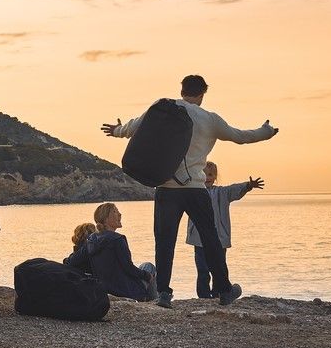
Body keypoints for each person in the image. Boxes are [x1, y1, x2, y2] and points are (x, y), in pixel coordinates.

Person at [101, 74, 278, 308]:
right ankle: (224, 290)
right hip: (195, 189)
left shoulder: (161, 107)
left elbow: (134, 126)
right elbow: (241, 136)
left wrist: (116, 131)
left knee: (164, 242)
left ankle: (164, 293)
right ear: (203, 93)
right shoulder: (209, 119)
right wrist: (265, 132)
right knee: (210, 239)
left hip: (165, 187)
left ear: (181, 89)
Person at [188, 161, 265, 298]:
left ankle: (219, 293)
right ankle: (204, 296)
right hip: (199, 239)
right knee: (202, 270)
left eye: (210, 174)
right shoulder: (193, 193)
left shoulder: (222, 193)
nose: (207, 177)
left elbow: (234, 189)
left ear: (215, 177)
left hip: (219, 239)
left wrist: (248, 186)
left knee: (219, 268)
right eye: (203, 174)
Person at [64, 202, 157, 302]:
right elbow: (129, 268)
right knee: (149, 267)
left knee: (144, 268)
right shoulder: (117, 239)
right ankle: (153, 299)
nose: (120, 214)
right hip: (126, 291)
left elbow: (70, 262)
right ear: (106, 219)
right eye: (115, 212)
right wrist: (147, 276)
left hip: (105, 290)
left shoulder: (91, 240)